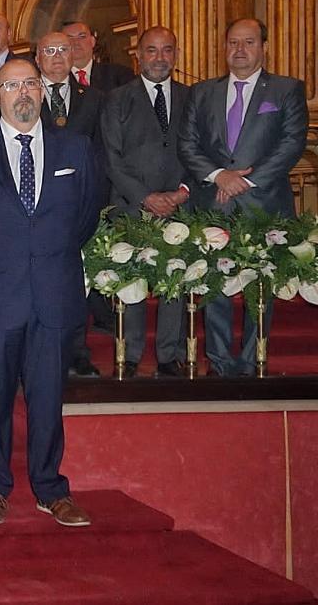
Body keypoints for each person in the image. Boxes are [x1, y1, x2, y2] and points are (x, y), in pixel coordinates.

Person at [0, 59, 102, 528]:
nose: (22, 92)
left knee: (48, 398)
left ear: (42, 90)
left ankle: (51, 488)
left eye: (30, 82)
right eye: (10, 85)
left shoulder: (76, 147)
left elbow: (87, 216)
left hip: (54, 293)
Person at [178, 18, 308, 377]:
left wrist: (245, 182)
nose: (239, 50)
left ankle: (253, 361)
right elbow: (187, 145)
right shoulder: (202, 92)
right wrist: (220, 175)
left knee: (261, 286)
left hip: (264, 202)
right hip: (214, 201)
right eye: (233, 43)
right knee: (214, 284)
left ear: (263, 47)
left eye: (248, 42)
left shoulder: (285, 90)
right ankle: (219, 362)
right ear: (224, 48)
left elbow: (291, 144)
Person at [101, 26, 191, 377]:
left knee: (175, 280)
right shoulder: (117, 98)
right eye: (151, 50)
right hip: (130, 204)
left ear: (176, 54)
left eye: (166, 50)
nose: (159, 58)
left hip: (179, 204)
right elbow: (111, 157)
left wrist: (182, 192)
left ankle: (170, 354)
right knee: (132, 279)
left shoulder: (191, 97)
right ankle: (132, 352)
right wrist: (145, 197)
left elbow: (199, 152)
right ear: (138, 54)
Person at [36, 30, 104, 377]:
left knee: (78, 283)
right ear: (38, 58)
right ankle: (45, 350)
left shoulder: (93, 98)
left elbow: (102, 152)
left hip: (79, 204)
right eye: (50, 50)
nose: (58, 56)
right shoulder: (25, 95)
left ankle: (77, 351)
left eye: (64, 49)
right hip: (38, 206)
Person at [62, 21, 133, 92]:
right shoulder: (57, 78)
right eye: (70, 38)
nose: (76, 42)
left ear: (93, 41)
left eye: (82, 37)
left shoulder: (120, 75)